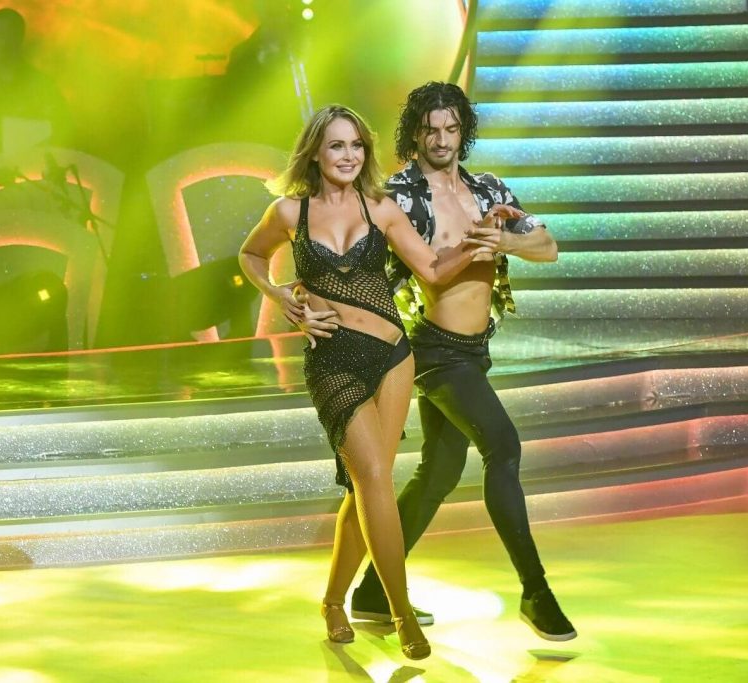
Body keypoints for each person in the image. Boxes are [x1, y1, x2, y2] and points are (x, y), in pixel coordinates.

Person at [238, 104, 516, 659]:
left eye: (357, 145)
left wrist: (478, 239)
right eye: (336, 145)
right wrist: (279, 297)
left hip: (393, 357)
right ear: (315, 152)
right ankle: (401, 611)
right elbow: (250, 255)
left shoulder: (382, 208)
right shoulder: (289, 211)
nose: (348, 156)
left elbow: (432, 269)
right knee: (373, 480)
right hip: (333, 362)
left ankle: (333, 601)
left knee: (370, 486)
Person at [349, 82, 577, 641]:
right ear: (415, 133)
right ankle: (536, 592)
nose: (442, 139)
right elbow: (394, 264)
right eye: (431, 130)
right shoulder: (399, 197)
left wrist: (503, 242)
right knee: (503, 446)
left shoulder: (488, 190)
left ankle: (373, 592)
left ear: (463, 131)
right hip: (433, 350)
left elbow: (548, 246)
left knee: (441, 470)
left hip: (476, 352)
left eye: (451, 128)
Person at [0, 8, 72, 164]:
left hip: (27, 169)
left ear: (18, 38)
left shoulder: (41, 85)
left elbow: (61, 129)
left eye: (1, 35)